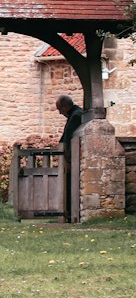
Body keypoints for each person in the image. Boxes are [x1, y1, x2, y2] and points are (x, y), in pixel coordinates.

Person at [55, 93, 84, 222]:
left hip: (72, 157)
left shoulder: (76, 116)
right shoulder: (75, 114)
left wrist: (67, 159)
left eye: (60, 109)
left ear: (65, 106)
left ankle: (70, 214)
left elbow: (68, 137)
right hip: (71, 156)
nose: (60, 113)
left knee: (70, 186)